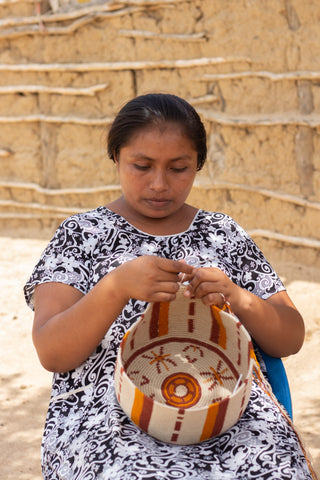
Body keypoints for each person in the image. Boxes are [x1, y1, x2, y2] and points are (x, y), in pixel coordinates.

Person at [24, 93, 316, 480]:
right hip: (110, 416)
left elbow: (290, 337)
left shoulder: (222, 234)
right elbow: (53, 352)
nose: (159, 184)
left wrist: (237, 297)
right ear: (116, 157)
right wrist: (115, 287)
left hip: (230, 411)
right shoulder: (83, 234)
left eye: (179, 168)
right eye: (141, 166)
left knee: (273, 468)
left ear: (198, 165)